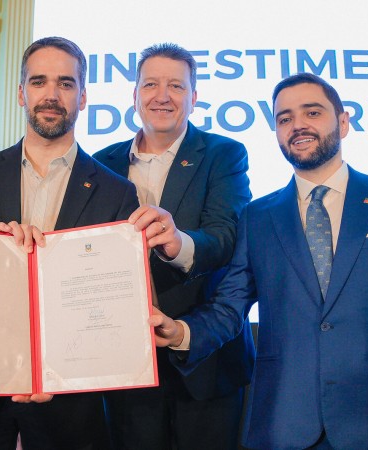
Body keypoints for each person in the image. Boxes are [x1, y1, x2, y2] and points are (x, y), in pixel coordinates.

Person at [151, 73, 368, 449]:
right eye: (284, 118)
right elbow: (229, 308)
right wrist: (179, 332)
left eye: (312, 112)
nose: (298, 125)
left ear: (343, 122)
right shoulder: (258, 217)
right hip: (283, 426)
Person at [0, 36, 139, 450]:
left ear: (82, 98)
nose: (51, 94)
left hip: (70, 399)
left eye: (65, 83)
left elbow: (112, 304)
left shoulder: (118, 193)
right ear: (20, 93)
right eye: (39, 81)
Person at [92, 43, 254, 450]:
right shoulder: (100, 161)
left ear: (194, 98)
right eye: (150, 84)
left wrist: (178, 242)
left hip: (205, 360)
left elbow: (226, 236)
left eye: (176, 86)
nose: (162, 96)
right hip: (123, 359)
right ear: (134, 96)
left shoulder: (224, 155)